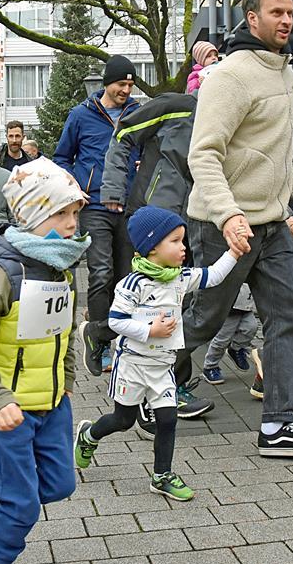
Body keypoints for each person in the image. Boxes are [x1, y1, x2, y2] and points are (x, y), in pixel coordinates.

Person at [176, 0, 293, 455]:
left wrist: (290, 209)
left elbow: (277, 153)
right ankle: (147, 378)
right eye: (276, 12)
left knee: (288, 318)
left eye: (290, 12)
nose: (286, 20)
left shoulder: (287, 74)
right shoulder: (229, 76)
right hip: (224, 225)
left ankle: (277, 427)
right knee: (205, 317)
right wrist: (228, 215)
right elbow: (203, 156)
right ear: (252, 18)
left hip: (273, 225)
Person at [0, 157, 89, 564]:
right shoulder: (4, 272)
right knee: (22, 506)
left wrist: (67, 378)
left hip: (52, 403)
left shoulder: (61, 266)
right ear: (31, 215)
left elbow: (64, 331)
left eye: (74, 213)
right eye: (60, 213)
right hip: (8, 408)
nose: (72, 223)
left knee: (60, 485)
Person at [74, 205, 239, 501]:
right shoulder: (133, 283)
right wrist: (151, 329)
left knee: (167, 420)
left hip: (163, 367)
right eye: (175, 241)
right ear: (152, 247)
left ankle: (161, 475)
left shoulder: (180, 277)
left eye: (183, 240)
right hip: (133, 366)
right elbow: (116, 322)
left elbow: (212, 276)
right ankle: (89, 435)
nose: (183, 247)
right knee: (123, 420)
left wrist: (234, 253)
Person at [55, 54, 140, 376]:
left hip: (128, 205)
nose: (126, 89)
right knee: (101, 272)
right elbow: (63, 156)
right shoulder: (81, 115)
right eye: (121, 84)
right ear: (107, 83)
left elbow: (146, 152)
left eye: (130, 84)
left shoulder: (137, 113)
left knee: (124, 277)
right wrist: (76, 185)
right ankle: (100, 342)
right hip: (94, 205)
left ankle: (116, 338)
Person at [101, 91, 197, 217]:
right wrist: (113, 188)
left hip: (198, 219)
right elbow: (123, 134)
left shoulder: (224, 118)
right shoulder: (176, 105)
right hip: (150, 210)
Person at [201, 286, 258, 384]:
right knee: (223, 338)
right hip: (229, 307)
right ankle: (210, 366)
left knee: (251, 327)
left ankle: (236, 349)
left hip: (246, 304)